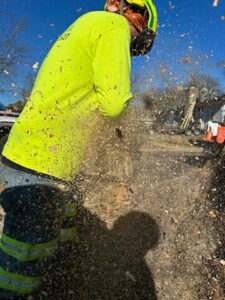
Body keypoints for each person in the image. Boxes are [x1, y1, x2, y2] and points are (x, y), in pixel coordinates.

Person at [0, 0, 158, 298]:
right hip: (44, 167)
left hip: (26, 158)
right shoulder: (112, 26)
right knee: (21, 276)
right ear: (120, 6)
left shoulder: (83, 26)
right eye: (139, 23)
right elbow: (113, 104)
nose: (136, 34)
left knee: (41, 252)